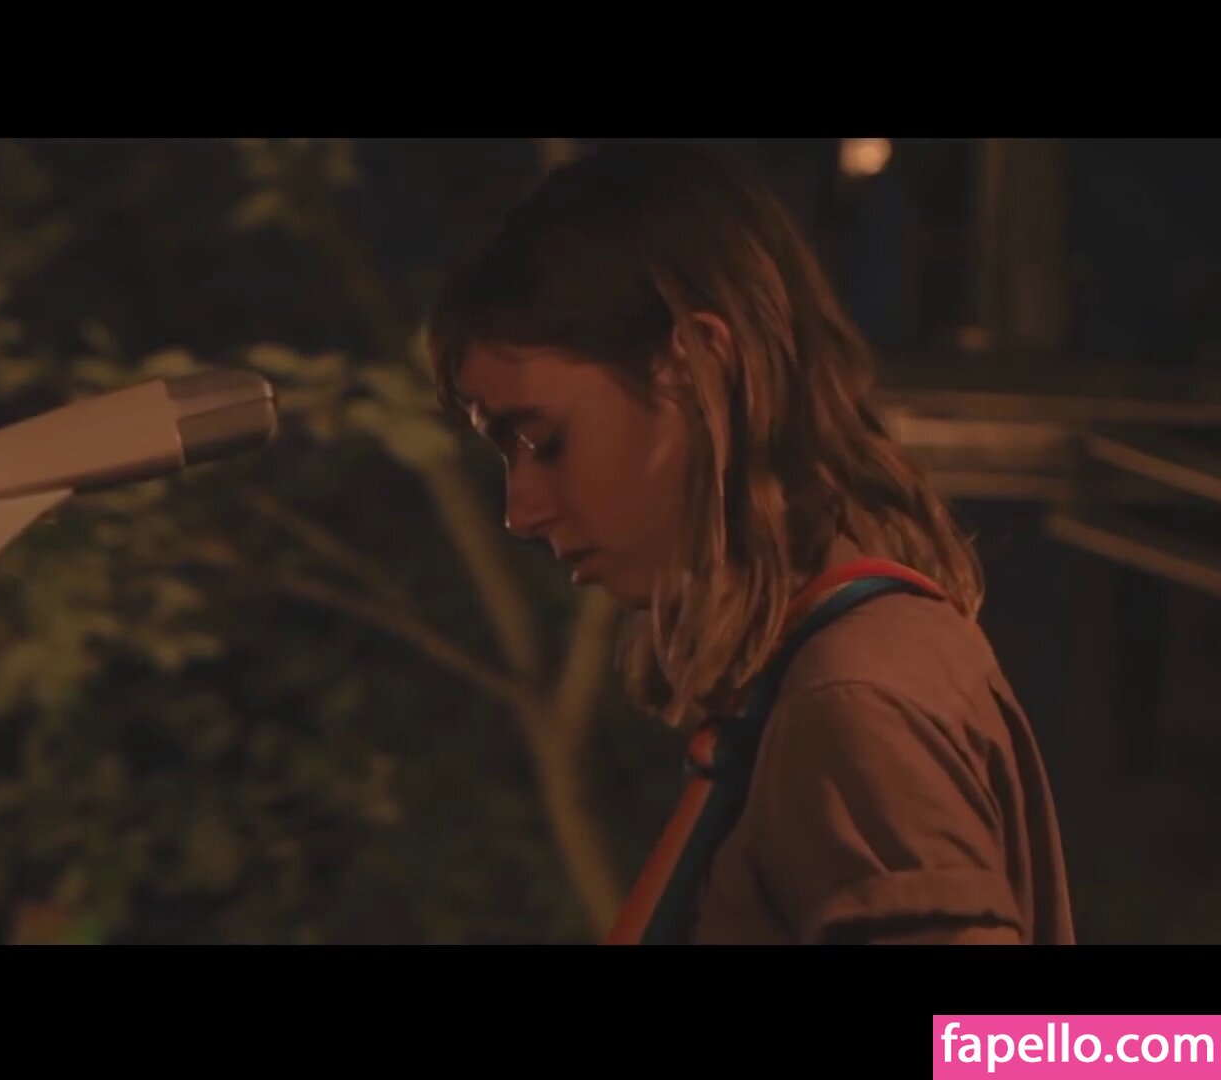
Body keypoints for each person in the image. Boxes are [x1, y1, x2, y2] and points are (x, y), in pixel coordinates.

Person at [425, 140, 1074, 945]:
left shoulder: (850, 699)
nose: (520, 512)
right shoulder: (831, 675)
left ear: (701, 366)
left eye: (542, 441)